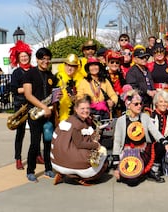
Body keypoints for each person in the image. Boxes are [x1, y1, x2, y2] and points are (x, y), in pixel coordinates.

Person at [112, 89, 168, 185]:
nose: (139, 106)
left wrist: (165, 143)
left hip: (143, 151)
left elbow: (155, 132)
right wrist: (116, 165)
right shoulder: (121, 120)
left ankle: (152, 170)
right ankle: (130, 173)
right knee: (132, 181)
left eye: (140, 103)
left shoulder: (145, 117)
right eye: (136, 104)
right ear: (128, 105)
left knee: (160, 145)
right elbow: (117, 141)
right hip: (128, 152)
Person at [51, 96, 108, 186]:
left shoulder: (72, 119)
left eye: (87, 108)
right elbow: (79, 144)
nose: (85, 111)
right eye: (82, 108)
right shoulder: (76, 125)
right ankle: (79, 177)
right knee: (102, 160)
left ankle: (64, 173)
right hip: (68, 157)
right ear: (76, 109)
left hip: (58, 159)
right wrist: (96, 145)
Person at [22, 48, 57, 182]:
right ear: (37, 59)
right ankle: (30, 170)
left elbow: (53, 94)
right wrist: (43, 107)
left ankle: (48, 169)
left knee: (48, 143)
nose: (45, 61)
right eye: (43, 58)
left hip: (48, 115)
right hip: (35, 114)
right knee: (35, 143)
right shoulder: (29, 74)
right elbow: (28, 95)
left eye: (48, 59)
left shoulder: (50, 75)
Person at [9, 40, 37, 170]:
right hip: (21, 105)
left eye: (26, 56)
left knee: (35, 132)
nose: (24, 58)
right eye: (22, 57)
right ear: (18, 58)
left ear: (29, 56)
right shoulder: (16, 72)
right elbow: (14, 90)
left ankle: (37, 155)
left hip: (33, 104)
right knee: (20, 133)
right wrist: (27, 89)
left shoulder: (34, 70)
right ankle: (18, 158)